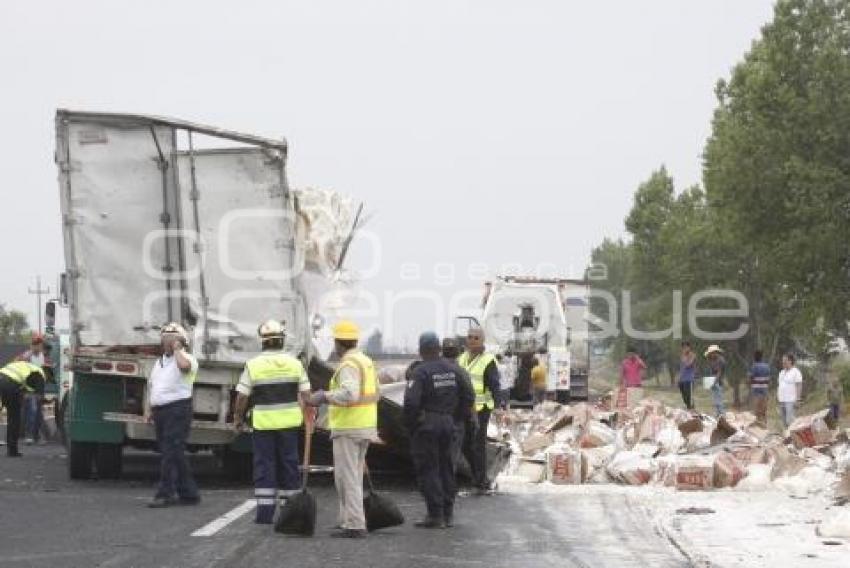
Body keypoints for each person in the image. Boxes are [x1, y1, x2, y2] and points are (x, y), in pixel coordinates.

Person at [233, 320, 311, 524]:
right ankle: (289, 511)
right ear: (282, 341)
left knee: (264, 467)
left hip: (263, 425)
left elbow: (242, 397)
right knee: (289, 466)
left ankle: (265, 514)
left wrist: (238, 419)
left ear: (263, 342)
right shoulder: (295, 364)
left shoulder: (253, 365)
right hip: (289, 425)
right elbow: (307, 395)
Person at [307, 320, 379, 539]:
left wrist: (324, 396)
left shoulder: (348, 364)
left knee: (348, 477)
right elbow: (376, 393)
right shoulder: (365, 361)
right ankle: (347, 519)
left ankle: (355, 525)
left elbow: (350, 394)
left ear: (339, 343)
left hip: (349, 427)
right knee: (349, 476)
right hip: (364, 425)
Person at [404, 332, 474, 529]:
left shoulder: (420, 372)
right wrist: (457, 417)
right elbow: (469, 395)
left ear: (421, 350)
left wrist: (412, 424)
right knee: (446, 468)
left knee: (428, 469)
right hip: (449, 423)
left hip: (428, 424)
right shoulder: (455, 370)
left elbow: (411, 402)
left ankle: (435, 515)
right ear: (439, 348)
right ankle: (448, 513)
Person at [145, 323, 200, 508]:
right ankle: (189, 493)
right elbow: (152, 385)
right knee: (173, 453)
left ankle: (165, 493)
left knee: (170, 452)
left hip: (178, 409)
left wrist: (178, 349)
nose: (167, 342)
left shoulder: (188, 359)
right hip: (161, 411)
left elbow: (184, 367)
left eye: (172, 339)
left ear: (181, 342)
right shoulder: (159, 362)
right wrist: (149, 410)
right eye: (165, 339)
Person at [457, 327, 503, 495]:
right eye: (469, 337)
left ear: (482, 341)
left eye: (476, 338)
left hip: (481, 410)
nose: (472, 340)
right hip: (463, 409)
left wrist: (498, 406)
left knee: (478, 445)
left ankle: (480, 480)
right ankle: (475, 474)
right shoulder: (461, 359)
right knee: (463, 444)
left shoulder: (488, 360)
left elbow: (495, 385)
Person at [0, 361, 45, 457]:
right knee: (14, 418)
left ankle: (12, 449)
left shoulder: (25, 366)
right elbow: (38, 396)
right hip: (10, 385)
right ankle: (12, 451)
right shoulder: (39, 373)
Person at [17, 334, 47, 445]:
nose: (37, 347)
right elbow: (21, 372)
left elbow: (42, 373)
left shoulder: (42, 356)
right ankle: (30, 435)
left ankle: (35, 435)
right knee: (32, 411)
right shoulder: (27, 356)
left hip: (38, 388)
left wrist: (42, 391)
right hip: (29, 389)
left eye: (38, 344)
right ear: (31, 345)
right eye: (35, 344)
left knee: (37, 412)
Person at [777, 353, 803, 428]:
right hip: (782, 400)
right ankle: (787, 437)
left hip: (791, 400)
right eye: (782, 360)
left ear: (790, 361)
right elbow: (780, 385)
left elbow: (799, 385)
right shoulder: (781, 372)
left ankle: (794, 436)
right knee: (784, 421)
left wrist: (798, 399)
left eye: (785, 360)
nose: (783, 362)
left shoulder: (796, 372)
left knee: (790, 420)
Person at [748, 350, 771, 424]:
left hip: (756, 392)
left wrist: (750, 382)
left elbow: (751, 378)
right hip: (765, 391)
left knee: (756, 411)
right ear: (762, 357)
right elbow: (768, 379)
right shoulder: (767, 366)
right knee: (764, 410)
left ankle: (758, 426)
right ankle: (765, 425)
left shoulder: (754, 366)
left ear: (754, 357)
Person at [704, 345, 726, 417]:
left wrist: (714, 381)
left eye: (713, 353)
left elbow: (719, 372)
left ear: (716, 352)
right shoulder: (712, 360)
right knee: (716, 399)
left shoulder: (720, 360)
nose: (712, 354)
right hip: (713, 381)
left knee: (719, 398)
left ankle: (722, 414)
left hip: (718, 381)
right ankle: (718, 414)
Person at [678, 342, 696, 410]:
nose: (684, 349)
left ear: (689, 347)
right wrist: (679, 377)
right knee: (684, 396)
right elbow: (681, 368)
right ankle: (688, 408)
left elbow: (689, 364)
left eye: (686, 347)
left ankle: (691, 409)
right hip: (682, 379)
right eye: (683, 347)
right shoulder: (682, 356)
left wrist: (685, 358)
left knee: (689, 396)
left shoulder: (692, 355)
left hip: (689, 379)